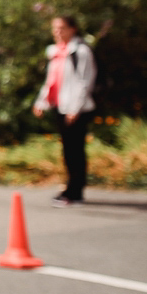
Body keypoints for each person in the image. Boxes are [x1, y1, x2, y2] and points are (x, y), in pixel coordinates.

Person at [32, 15, 96, 208]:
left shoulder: (81, 52)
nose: (57, 32)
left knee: (75, 150)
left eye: (62, 28)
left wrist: (74, 109)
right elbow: (52, 80)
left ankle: (75, 191)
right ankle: (71, 187)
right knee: (68, 149)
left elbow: (84, 83)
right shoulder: (56, 52)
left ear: (73, 29)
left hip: (76, 109)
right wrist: (41, 102)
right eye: (55, 28)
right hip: (60, 106)